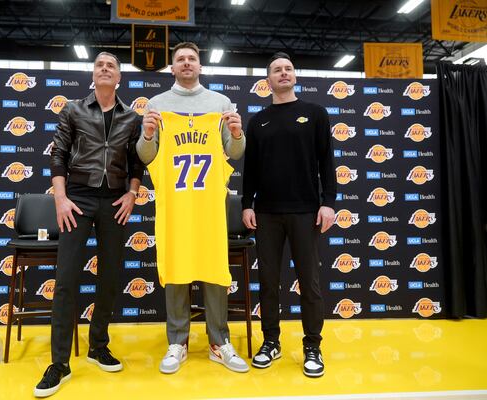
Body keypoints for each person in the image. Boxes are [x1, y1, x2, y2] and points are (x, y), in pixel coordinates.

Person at [34, 52, 144, 397]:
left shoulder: (131, 117)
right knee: (66, 279)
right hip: (77, 199)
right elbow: (59, 154)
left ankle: (98, 346)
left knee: (110, 277)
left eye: (112, 66)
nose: (105, 68)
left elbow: (137, 164)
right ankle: (59, 363)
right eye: (100, 65)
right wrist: (60, 198)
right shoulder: (73, 109)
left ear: (120, 79)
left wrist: (131, 195)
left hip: (114, 201)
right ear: (93, 76)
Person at [137, 42, 249, 374]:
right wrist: (146, 135)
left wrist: (237, 133)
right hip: (175, 207)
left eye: (192, 59)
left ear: (200, 66)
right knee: (176, 269)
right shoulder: (158, 105)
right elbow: (148, 158)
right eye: (180, 60)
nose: (186, 63)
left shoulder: (220, 104)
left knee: (215, 270)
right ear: (172, 68)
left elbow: (235, 153)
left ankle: (218, 342)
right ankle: (178, 341)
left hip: (209, 207)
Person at [241, 52, 336, 377]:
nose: (283, 73)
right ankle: (271, 342)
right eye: (277, 70)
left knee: (309, 284)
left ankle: (312, 346)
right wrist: (246, 205)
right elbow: (249, 169)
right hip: (266, 214)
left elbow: (327, 162)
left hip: (306, 212)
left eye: (288, 69)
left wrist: (329, 202)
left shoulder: (315, 113)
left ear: (294, 76)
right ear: (267, 80)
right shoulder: (258, 121)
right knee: (268, 283)